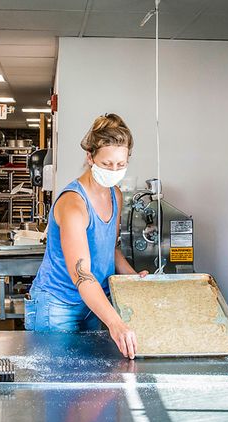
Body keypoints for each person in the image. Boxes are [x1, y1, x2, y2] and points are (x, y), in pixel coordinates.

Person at [25, 113, 146, 358]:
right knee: (61, 387)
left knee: (88, 383)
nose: (114, 170)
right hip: (57, 306)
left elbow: (110, 248)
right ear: (90, 157)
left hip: (92, 304)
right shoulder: (73, 204)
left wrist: (134, 279)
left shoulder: (116, 195)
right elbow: (82, 275)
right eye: (106, 164)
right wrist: (115, 323)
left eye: (120, 165)